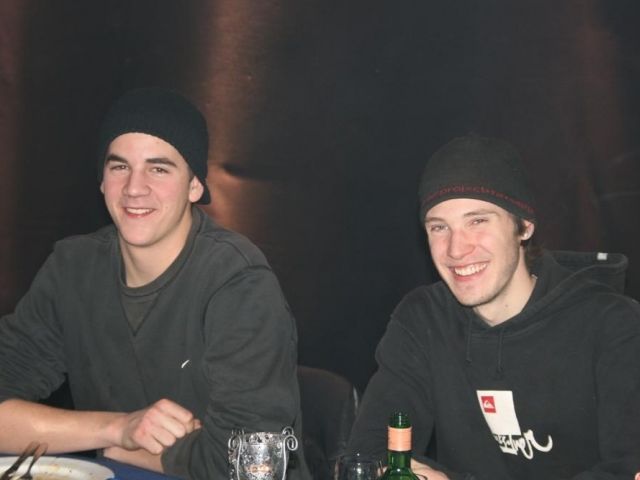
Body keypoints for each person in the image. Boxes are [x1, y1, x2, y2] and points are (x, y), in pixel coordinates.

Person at [0, 87, 310, 480]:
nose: (134, 187)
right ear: (102, 181)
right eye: (119, 167)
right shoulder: (73, 269)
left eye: (158, 169)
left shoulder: (238, 283)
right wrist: (117, 430)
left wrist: (114, 450)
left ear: (195, 186)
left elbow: (253, 463)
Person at [346, 134, 640, 479]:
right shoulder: (424, 320)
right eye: (439, 227)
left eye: (478, 221)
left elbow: (628, 469)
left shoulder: (612, 324)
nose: (456, 249)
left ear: (524, 226)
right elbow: (367, 455)